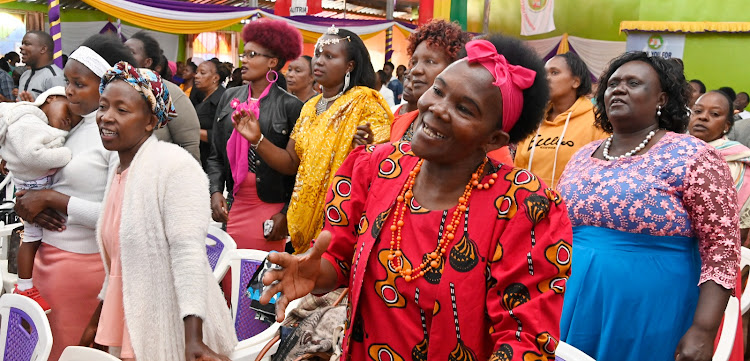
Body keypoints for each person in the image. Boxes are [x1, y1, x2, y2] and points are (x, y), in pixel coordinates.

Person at [258, 35, 570, 361]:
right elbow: (340, 257)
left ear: (494, 138)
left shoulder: (524, 207)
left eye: (464, 108)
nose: (436, 108)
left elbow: (524, 339)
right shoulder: (373, 168)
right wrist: (314, 272)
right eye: (439, 90)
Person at [557, 51, 740, 361]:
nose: (618, 89)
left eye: (633, 82)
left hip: (653, 307)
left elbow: (722, 249)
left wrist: (704, 329)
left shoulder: (693, 155)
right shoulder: (583, 155)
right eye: (612, 83)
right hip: (572, 298)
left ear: (661, 98)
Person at [78, 61, 236, 361]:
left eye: (122, 110)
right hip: (132, 319)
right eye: (103, 106)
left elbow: (189, 255)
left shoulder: (175, 167)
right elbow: (122, 264)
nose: (106, 118)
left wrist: (193, 341)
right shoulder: (119, 166)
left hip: (174, 329)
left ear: (150, 121)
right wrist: (96, 321)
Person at [13, 34, 135, 361]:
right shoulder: (74, 125)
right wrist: (30, 204)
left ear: (107, 87)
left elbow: (118, 217)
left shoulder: (118, 138)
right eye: (67, 81)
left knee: (68, 350)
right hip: (45, 260)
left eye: (79, 84)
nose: (68, 91)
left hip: (83, 268)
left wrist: (54, 200)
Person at [233, 25, 394, 254]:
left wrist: (369, 149)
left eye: (329, 56)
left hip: (342, 223)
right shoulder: (310, 107)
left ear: (350, 65)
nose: (319, 61)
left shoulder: (365, 101)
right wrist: (257, 139)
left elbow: (385, 163)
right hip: (303, 227)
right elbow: (291, 163)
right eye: (318, 55)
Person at [207, 18, 304, 257]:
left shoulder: (291, 106)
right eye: (244, 55)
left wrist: (286, 213)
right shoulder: (230, 97)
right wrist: (216, 191)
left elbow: (301, 169)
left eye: (252, 54)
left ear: (272, 62)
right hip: (235, 203)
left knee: (260, 287)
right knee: (230, 281)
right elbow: (215, 155)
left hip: (270, 209)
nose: (245, 60)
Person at [0, 87, 78, 313]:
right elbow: (32, 155)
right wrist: (66, 154)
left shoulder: (35, 122)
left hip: (31, 187)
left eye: (73, 121)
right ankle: (25, 287)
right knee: (31, 239)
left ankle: (26, 286)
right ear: (51, 98)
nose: (68, 120)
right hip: (31, 187)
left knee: (33, 239)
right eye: (68, 110)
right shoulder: (27, 121)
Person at [514, 52, 607, 188]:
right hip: (529, 206)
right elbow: (518, 168)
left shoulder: (597, 121)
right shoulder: (533, 120)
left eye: (554, 73)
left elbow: (602, 171)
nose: (546, 79)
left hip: (572, 206)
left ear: (576, 81)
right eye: (544, 73)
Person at [389, 19, 471, 143]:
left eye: (430, 61)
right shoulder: (400, 123)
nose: (415, 70)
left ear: (456, 66)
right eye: (414, 62)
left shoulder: (472, 134)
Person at [124, 31, 201, 162]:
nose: (123, 55)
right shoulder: (113, 90)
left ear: (147, 62)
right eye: (122, 50)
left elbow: (189, 146)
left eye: (130, 52)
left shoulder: (171, 94)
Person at [690, 90, 750, 239]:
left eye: (715, 114)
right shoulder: (670, 151)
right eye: (697, 111)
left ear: (727, 125)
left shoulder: (739, 161)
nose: (703, 117)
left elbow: (740, 228)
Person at [192, 58, 229, 169]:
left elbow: (223, 135)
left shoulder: (222, 100)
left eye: (202, 73)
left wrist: (192, 131)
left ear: (215, 78)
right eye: (197, 72)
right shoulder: (204, 97)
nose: (196, 76)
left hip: (215, 163)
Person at [18, 31, 66, 101]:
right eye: (22, 44)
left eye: (27, 44)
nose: (21, 47)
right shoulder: (25, 75)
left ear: (43, 49)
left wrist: (33, 108)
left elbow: (60, 109)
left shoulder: (54, 77)